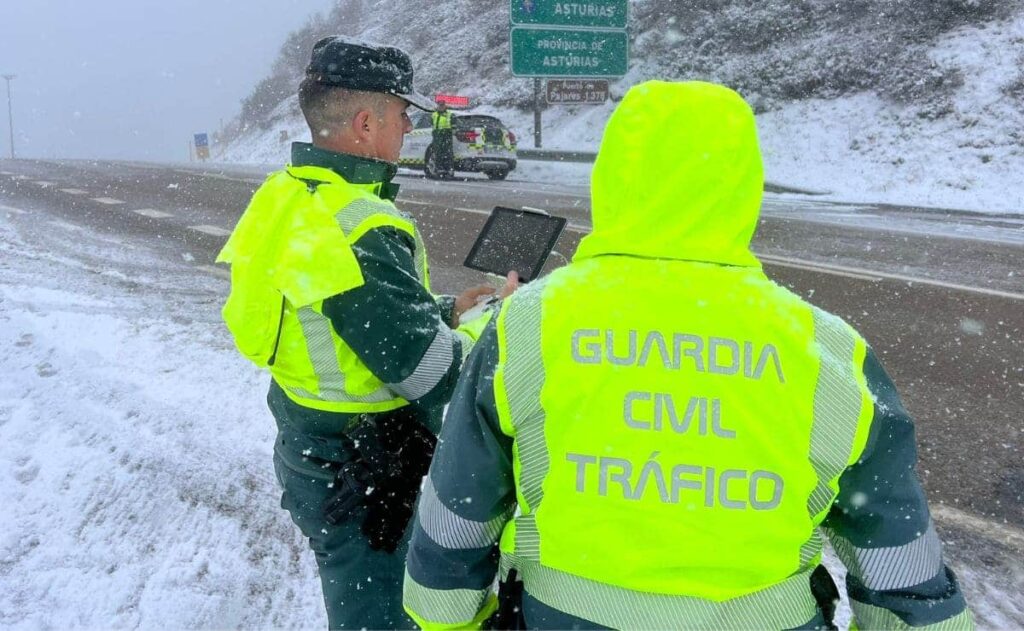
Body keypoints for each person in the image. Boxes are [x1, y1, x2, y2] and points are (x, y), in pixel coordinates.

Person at [402, 81, 973, 630]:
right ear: (743, 185)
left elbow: (459, 512)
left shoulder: (528, 324)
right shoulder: (826, 347)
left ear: (613, 179)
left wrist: (448, 621)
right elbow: (896, 550)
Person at [216, 36, 515, 629]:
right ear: (363, 122)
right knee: (380, 612)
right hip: (365, 470)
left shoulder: (293, 195)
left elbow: (335, 308)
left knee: (357, 596)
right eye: (404, 116)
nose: (409, 129)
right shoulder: (357, 225)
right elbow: (431, 375)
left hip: (314, 446)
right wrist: (498, 327)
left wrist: (447, 308)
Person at [431, 100, 454, 179]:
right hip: (437, 135)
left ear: (445, 106)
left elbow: (454, 125)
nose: (441, 106)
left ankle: (448, 170)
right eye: (439, 105)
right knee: (438, 154)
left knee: (447, 154)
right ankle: (439, 170)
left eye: (442, 105)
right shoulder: (434, 114)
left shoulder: (449, 114)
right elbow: (431, 123)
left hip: (446, 135)